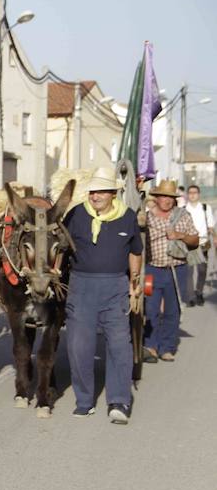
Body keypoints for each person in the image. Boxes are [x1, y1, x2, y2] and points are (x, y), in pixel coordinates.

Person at [62, 167, 143, 424]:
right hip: (81, 286)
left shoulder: (127, 217)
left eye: (100, 191)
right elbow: (60, 245)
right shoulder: (76, 214)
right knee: (78, 346)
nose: (94, 196)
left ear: (112, 193)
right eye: (92, 191)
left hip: (116, 286)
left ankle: (119, 401)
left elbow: (135, 251)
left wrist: (135, 283)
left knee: (119, 345)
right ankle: (84, 401)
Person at [143, 179, 198, 363]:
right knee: (150, 309)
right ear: (157, 198)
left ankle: (167, 347)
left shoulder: (183, 216)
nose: (166, 200)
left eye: (170, 197)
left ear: (174, 199)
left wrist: (179, 235)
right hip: (151, 270)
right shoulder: (146, 218)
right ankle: (150, 345)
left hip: (177, 270)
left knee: (173, 311)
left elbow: (195, 241)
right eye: (163, 196)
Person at [183, 184, 214, 307]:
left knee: (202, 270)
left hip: (203, 243)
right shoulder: (184, 209)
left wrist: (215, 237)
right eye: (190, 192)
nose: (192, 194)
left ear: (198, 194)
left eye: (195, 192)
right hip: (189, 243)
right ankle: (190, 297)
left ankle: (199, 292)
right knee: (189, 271)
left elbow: (210, 226)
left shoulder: (206, 208)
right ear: (187, 194)